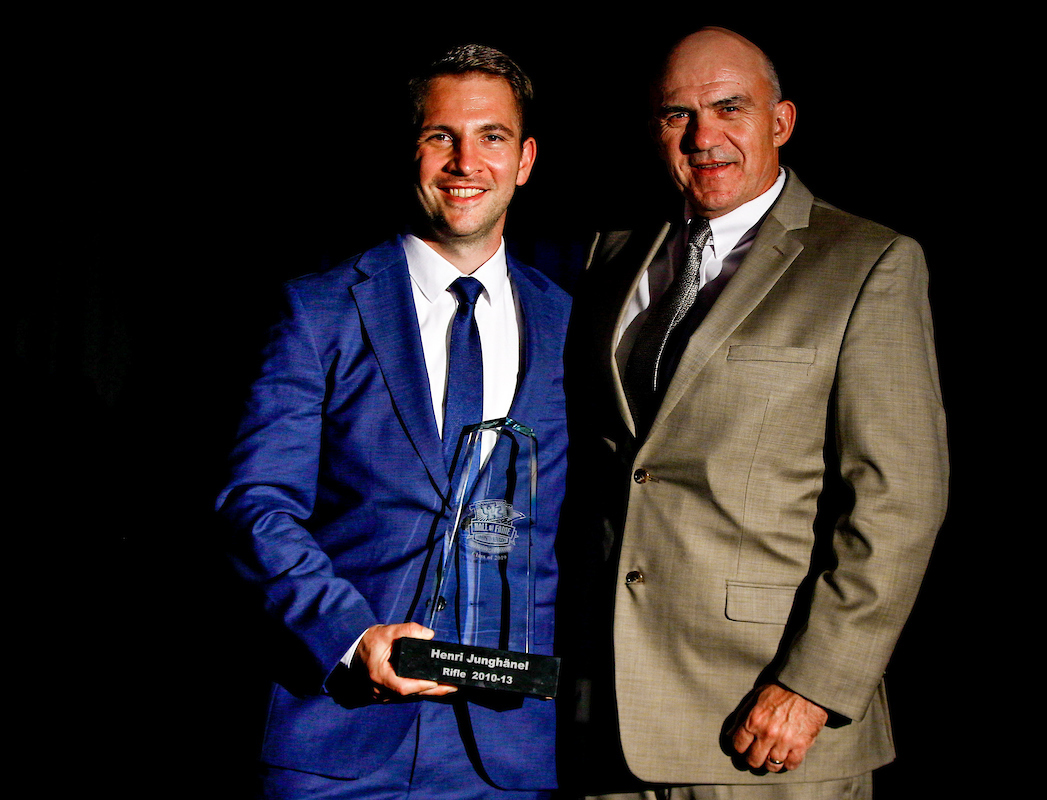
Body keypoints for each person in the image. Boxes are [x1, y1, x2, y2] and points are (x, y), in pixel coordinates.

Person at [562, 27, 949, 799]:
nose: (704, 137)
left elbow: (899, 501)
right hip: (605, 724)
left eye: (729, 107)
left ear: (782, 121)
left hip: (766, 728)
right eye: (677, 115)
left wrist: (815, 687)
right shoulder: (612, 254)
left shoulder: (866, 262)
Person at [216, 44, 570, 799]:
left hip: (507, 754)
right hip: (336, 737)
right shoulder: (319, 310)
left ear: (527, 159)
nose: (465, 161)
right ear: (411, 151)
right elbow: (257, 504)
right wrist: (350, 637)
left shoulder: (575, 325)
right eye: (442, 136)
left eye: (493, 137)